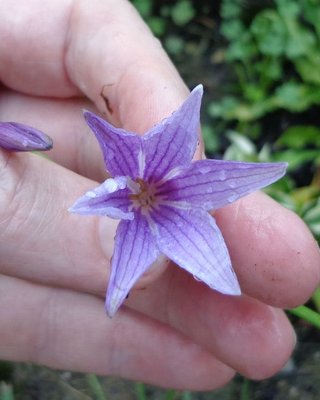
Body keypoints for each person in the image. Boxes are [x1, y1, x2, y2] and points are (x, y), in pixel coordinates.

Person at [0, 0, 319, 391]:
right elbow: (112, 145)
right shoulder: (117, 188)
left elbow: (180, 123)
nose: (145, 194)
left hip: (159, 201)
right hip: (135, 194)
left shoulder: (167, 177)